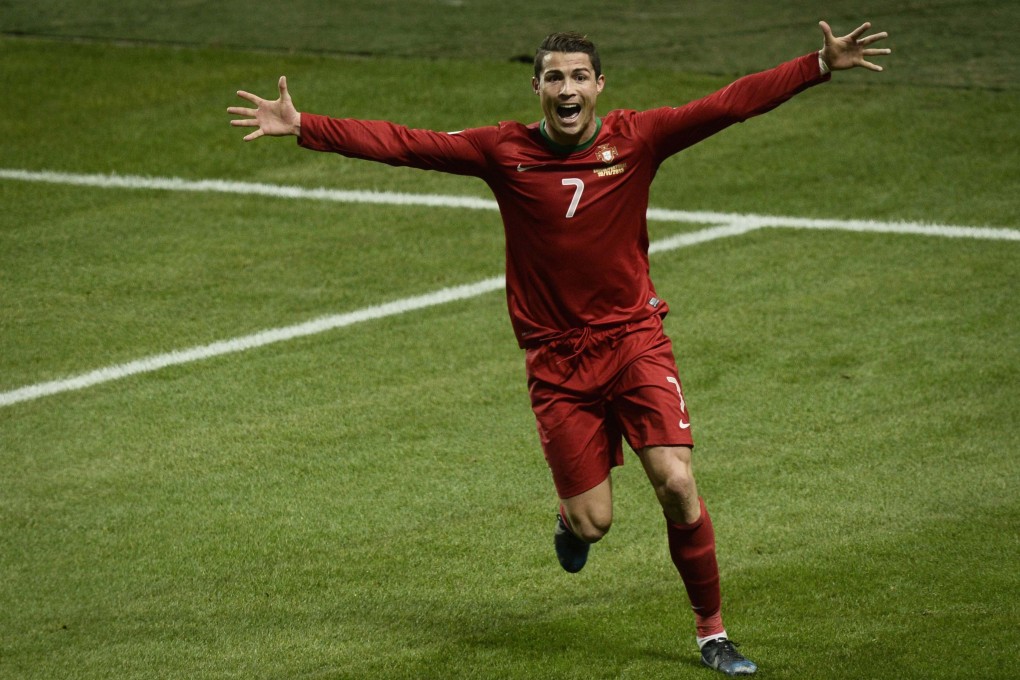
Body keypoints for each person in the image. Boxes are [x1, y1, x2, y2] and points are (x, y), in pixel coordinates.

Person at [229, 20, 890, 676]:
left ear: (599, 86)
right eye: (554, 77)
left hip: (634, 341)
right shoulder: (503, 152)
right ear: (537, 88)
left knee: (679, 485)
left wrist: (819, 66)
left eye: (579, 76)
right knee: (595, 522)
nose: (567, 88)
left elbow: (728, 104)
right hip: (558, 364)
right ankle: (571, 526)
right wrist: (306, 125)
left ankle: (712, 634)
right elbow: (406, 144)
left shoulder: (640, 138)